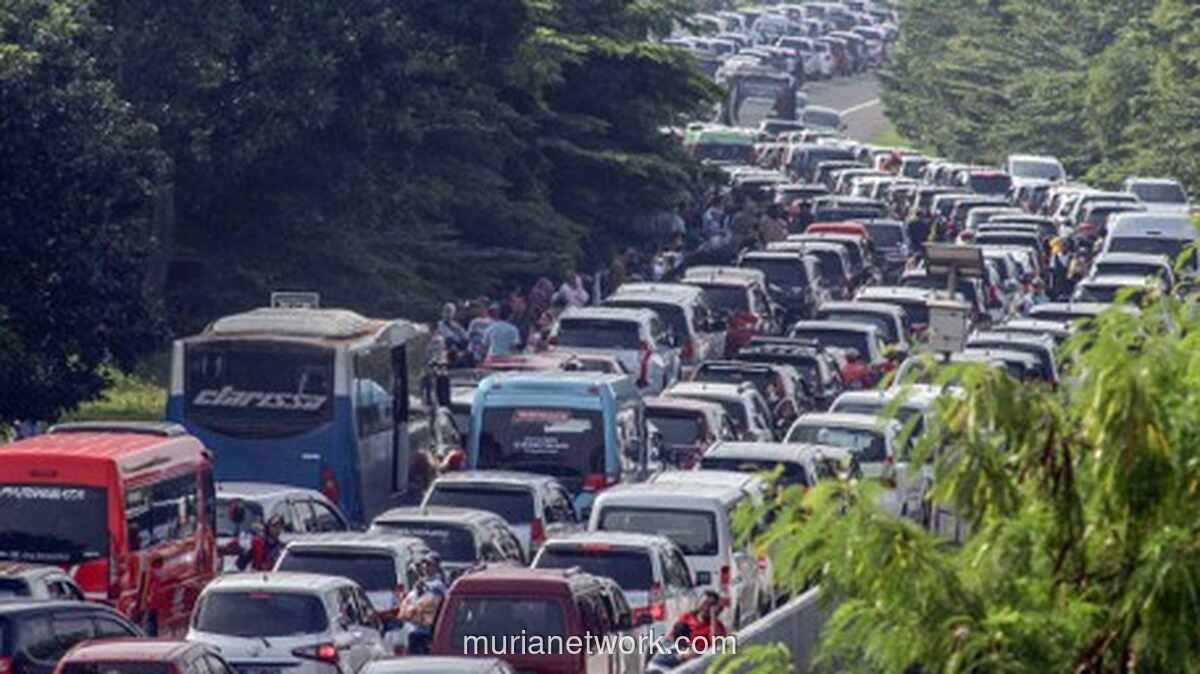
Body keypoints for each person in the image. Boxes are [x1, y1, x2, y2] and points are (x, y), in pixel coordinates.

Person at [648, 591, 727, 669]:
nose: (706, 607)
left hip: (695, 655)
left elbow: (717, 645)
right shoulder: (688, 616)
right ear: (699, 603)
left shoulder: (717, 626)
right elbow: (672, 635)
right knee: (653, 650)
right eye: (705, 603)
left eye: (711, 605)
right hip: (677, 647)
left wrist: (713, 615)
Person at [398, 554, 448, 654]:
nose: (425, 566)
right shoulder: (421, 582)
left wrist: (422, 589)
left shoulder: (437, 585)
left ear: (436, 567)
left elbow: (431, 601)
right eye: (424, 564)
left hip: (426, 632)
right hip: (413, 630)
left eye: (429, 564)